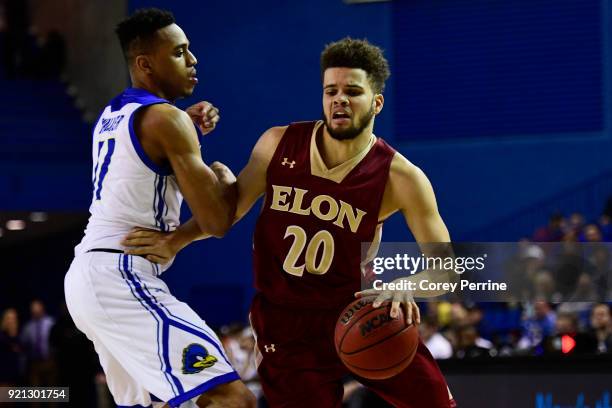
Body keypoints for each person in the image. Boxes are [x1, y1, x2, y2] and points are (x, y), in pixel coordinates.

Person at [124, 38, 456, 407]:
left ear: (376, 102)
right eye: (331, 90)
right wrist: (176, 240)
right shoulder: (278, 143)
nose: (339, 99)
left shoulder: (401, 177)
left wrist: (407, 285)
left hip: (357, 311)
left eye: (352, 91)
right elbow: (228, 211)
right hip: (285, 323)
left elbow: (447, 269)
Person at [64, 8, 255, 408]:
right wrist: (222, 177)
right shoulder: (166, 121)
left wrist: (184, 127)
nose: (193, 60)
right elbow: (218, 220)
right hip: (120, 275)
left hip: (89, 275)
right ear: (145, 64)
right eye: (180, 52)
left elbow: (140, 163)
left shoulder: (113, 114)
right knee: (233, 399)